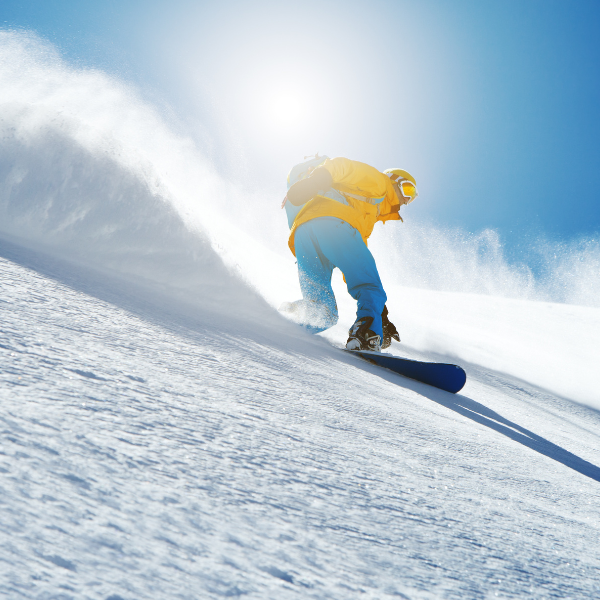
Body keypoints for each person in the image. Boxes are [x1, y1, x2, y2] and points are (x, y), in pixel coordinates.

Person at [281, 154, 418, 352]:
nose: (407, 199)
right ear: (394, 181)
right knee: (371, 286)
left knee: (322, 312)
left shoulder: (365, 210)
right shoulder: (380, 182)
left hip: (304, 234)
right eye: (407, 189)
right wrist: (317, 180)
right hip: (333, 223)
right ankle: (366, 335)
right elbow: (343, 166)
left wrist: (380, 312)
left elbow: (353, 264)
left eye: (412, 197)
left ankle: (284, 320)